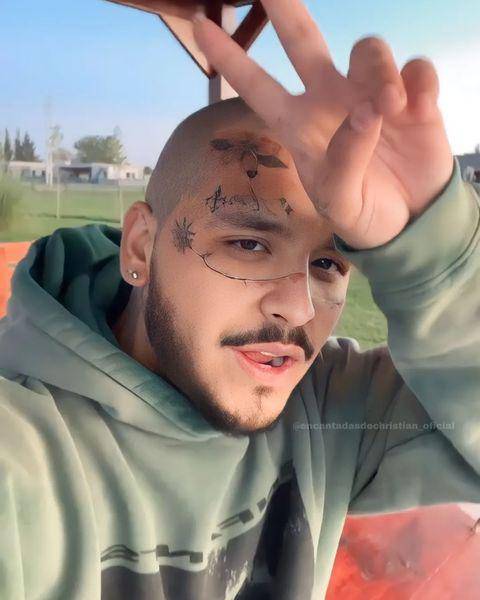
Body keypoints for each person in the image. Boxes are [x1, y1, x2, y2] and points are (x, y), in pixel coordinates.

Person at [1, 0, 480, 598]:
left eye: (328, 264)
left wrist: (436, 258)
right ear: (141, 247)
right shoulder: (24, 451)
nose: (299, 310)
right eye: (249, 245)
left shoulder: (332, 407)